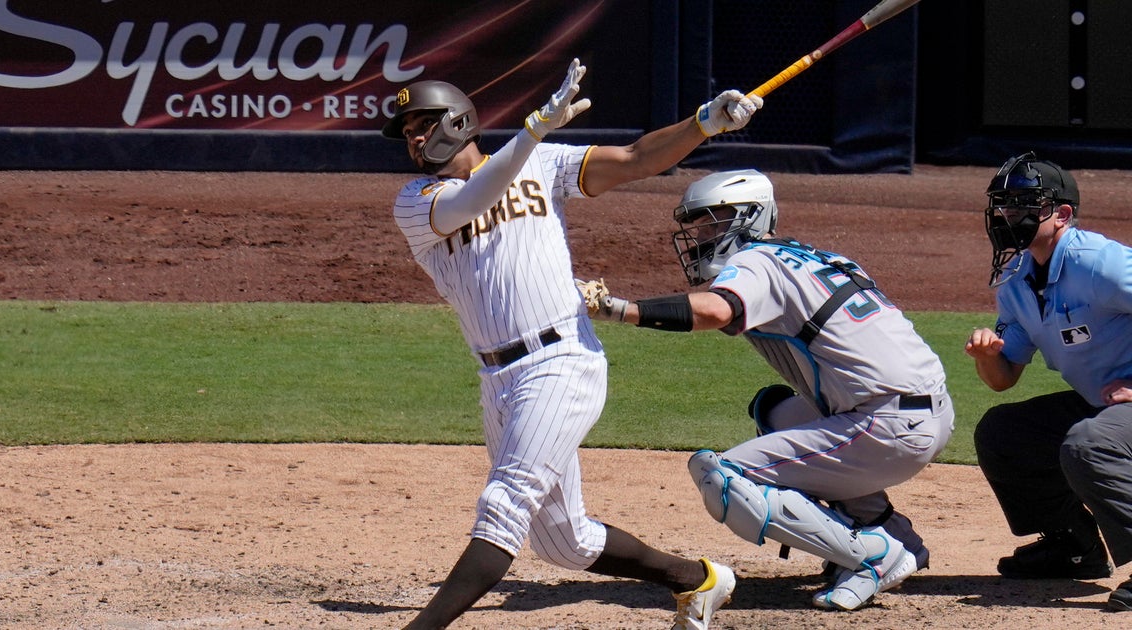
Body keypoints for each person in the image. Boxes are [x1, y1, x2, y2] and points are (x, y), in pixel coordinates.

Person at [381, 58, 763, 629]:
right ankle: (699, 580)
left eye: (422, 126)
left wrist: (703, 124)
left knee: (504, 506)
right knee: (564, 542)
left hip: (561, 362)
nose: (413, 140)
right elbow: (471, 201)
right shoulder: (417, 201)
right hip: (498, 381)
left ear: (458, 122)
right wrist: (532, 129)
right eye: (407, 134)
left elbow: (635, 160)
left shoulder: (541, 163)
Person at [581, 169, 954, 611]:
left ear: (748, 218)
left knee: (723, 477)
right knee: (774, 410)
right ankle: (891, 532)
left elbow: (718, 311)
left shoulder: (756, 261)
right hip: (921, 411)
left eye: (712, 222)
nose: (701, 236)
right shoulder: (814, 257)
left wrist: (619, 310)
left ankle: (872, 556)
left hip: (885, 425)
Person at [963, 151, 1132, 611]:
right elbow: (1004, 379)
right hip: (1108, 405)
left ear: (1062, 215)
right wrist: (985, 356)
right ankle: (1073, 546)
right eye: (1003, 205)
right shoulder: (1017, 281)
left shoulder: (1101, 264)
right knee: (1004, 433)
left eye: (1021, 205)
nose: (1007, 216)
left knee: (1089, 443)